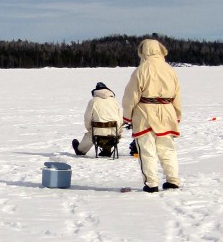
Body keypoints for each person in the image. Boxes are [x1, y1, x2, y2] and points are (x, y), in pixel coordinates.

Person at [122, 38, 181, 193]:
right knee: (167, 149)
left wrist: (127, 116)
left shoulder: (141, 70)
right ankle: (173, 180)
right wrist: (177, 114)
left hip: (145, 113)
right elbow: (177, 94)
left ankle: (151, 183)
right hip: (167, 112)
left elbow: (131, 96)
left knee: (147, 150)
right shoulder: (170, 70)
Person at [72, 82, 122, 157]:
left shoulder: (93, 101)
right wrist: (119, 131)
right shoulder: (115, 101)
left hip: (97, 133)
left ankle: (81, 150)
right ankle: (107, 149)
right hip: (113, 132)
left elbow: (87, 118)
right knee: (107, 132)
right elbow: (120, 118)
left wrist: (89, 128)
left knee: (92, 134)